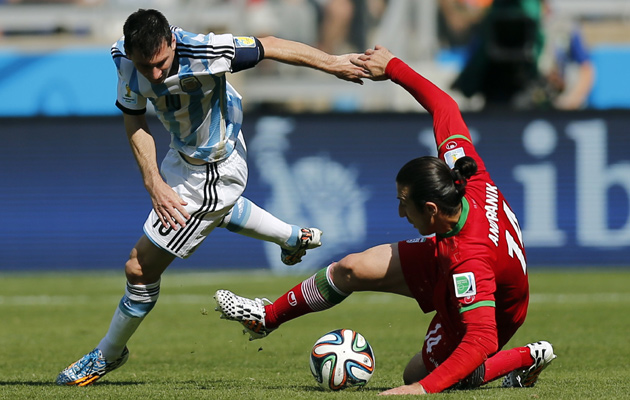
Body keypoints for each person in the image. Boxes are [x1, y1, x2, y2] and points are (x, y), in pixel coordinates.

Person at [215, 45, 557, 394]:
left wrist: (420, 390)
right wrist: (392, 66)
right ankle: (266, 318)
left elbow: (482, 338)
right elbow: (445, 106)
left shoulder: (468, 261)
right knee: (351, 269)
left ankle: (524, 357)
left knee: (421, 375)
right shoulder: (465, 173)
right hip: (451, 256)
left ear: (431, 210)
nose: (398, 213)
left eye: (403, 204)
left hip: (496, 309)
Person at [55, 8, 365, 386]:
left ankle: (106, 355)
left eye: (160, 64)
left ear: (172, 41)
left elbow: (272, 46)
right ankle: (291, 236)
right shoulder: (124, 59)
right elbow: (134, 118)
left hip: (215, 166)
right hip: (183, 151)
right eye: (145, 66)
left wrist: (333, 64)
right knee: (215, 211)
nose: (154, 74)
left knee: (139, 269)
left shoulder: (207, 50)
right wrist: (152, 180)